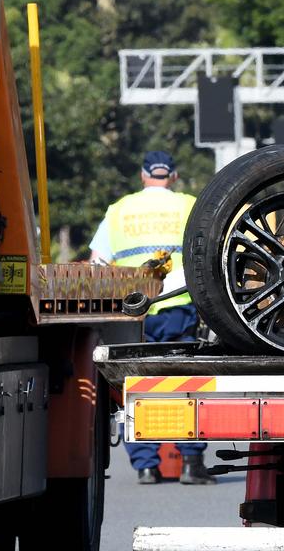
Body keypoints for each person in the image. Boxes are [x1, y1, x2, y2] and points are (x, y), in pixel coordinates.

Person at [90, 151, 216, 485]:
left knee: (138, 386)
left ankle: (146, 466)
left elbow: (97, 264)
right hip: (179, 307)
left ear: (143, 176)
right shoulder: (189, 205)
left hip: (132, 313)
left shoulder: (119, 211)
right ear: (173, 177)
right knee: (184, 384)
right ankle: (191, 463)